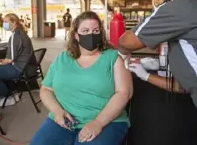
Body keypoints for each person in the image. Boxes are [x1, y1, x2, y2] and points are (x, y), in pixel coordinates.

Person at [31, 11, 133, 145]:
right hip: (64, 120)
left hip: (107, 121)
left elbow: (124, 93)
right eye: (85, 30)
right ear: (76, 36)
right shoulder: (62, 59)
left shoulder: (112, 58)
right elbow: (46, 89)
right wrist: (56, 110)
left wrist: (98, 123)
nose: (91, 34)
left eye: (95, 30)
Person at [118, 0, 197, 117]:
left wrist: (122, 55)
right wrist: (148, 75)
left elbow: (127, 42)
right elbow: (186, 84)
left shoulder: (184, 6)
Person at [0, 13, 37, 107]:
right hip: (27, 67)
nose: (4, 24)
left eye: (6, 22)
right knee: (2, 70)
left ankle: (5, 98)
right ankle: (12, 94)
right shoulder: (22, 33)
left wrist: (2, 62)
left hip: (20, 69)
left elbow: (10, 59)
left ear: (14, 22)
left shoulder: (15, 36)